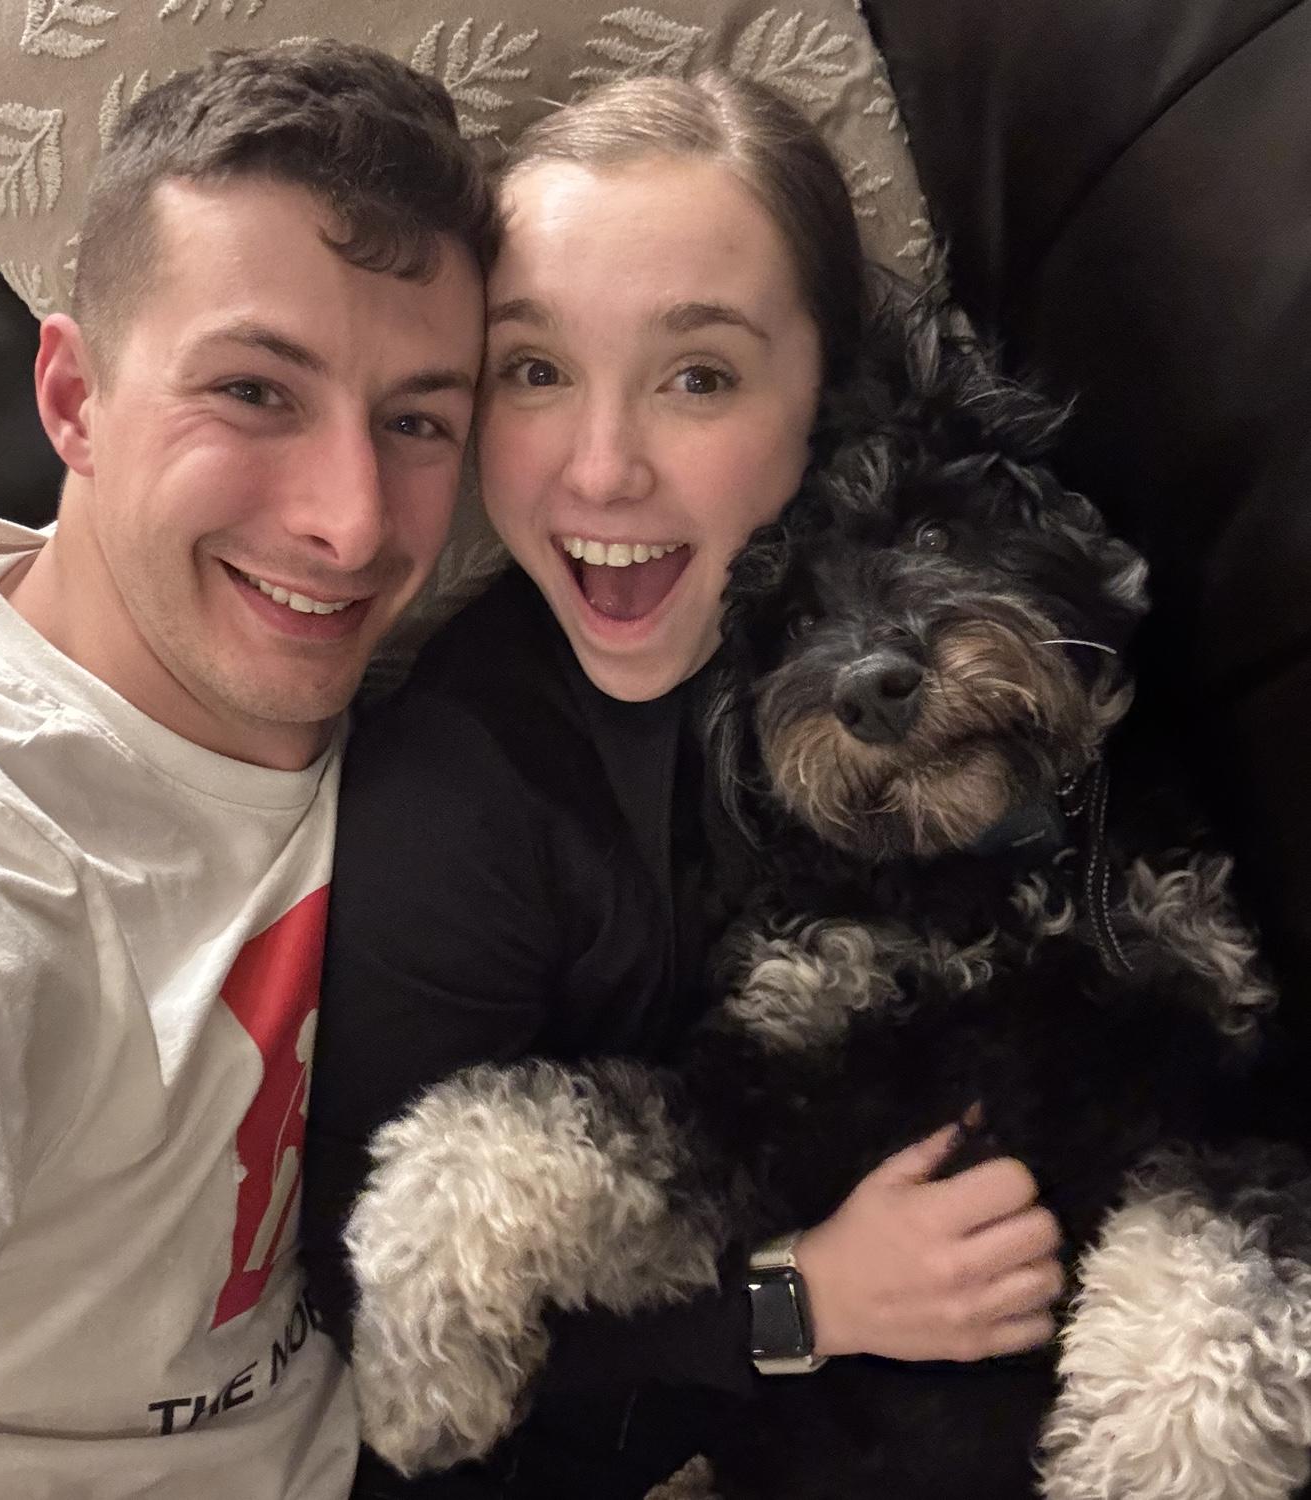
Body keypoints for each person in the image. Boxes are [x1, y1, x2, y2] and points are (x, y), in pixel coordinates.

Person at [302, 71, 1066, 1498]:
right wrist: (796, 1304)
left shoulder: (956, 626)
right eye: (535, 371)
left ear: (829, 394)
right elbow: (370, 1329)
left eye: (698, 375)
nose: (601, 471)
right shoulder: (461, 804)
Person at [0, 42, 492, 1499]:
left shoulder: (418, 702)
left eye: (418, 421)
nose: (353, 523)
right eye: (254, 391)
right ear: (73, 398)